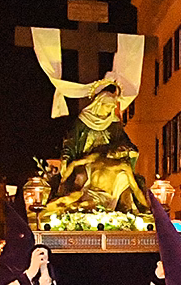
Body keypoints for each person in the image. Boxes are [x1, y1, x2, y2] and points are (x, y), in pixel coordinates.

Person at [42, 80, 150, 219]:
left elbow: (124, 142)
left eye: (112, 107)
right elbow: (71, 142)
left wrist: (130, 150)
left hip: (108, 160)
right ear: (99, 104)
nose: (110, 110)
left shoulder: (114, 123)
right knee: (80, 177)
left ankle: (126, 211)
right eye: (107, 106)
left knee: (125, 181)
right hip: (87, 159)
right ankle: (68, 205)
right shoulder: (83, 121)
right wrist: (66, 159)